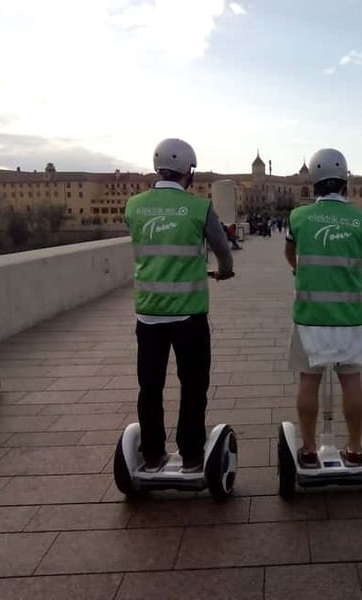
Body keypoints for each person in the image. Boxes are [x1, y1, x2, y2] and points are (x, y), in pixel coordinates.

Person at [124, 138, 234, 473]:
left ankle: (154, 453)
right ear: (189, 171)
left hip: (149, 312)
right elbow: (223, 249)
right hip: (188, 315)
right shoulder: (199, 208)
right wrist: (225, 273)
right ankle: (190, 455)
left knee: (151, 385)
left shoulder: (134, 206)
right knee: (193, 384)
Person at [284, 147, 362, 468]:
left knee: (309, 381)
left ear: (314, 184)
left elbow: (290, 256)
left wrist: (304, 271)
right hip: (350, 318)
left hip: (310, 317)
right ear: (344, 183)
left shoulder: (298, 217)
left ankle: (308, 450)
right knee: (351, 383)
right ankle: (353, 449)